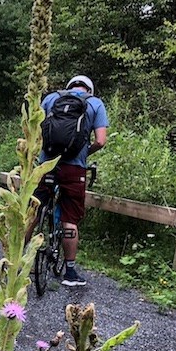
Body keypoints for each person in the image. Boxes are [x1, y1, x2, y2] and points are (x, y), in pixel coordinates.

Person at [32, 75, 108, 286]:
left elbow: (35, 131)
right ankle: (71, 273)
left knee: (34, 209)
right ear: (89, 89)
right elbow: (101, 141)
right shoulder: (95, 103)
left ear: (69, 87)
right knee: (70, 218)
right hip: (74, 168)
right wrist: (85, 152)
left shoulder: (50, 99)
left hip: (47, 165)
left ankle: (18, 258)